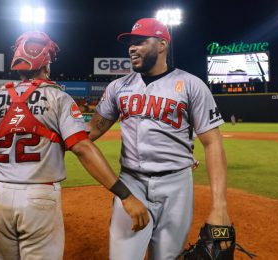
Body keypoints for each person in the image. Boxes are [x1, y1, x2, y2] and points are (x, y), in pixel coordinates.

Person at [0, 31, 149, 260]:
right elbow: (82, 148)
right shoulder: (58, 98)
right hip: (39, 196)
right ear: (46, 63)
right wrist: (125, 195)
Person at [89, 18, 232, 260]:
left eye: (140, 41)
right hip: (131, 182)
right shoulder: (117, 87)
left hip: (177, 186)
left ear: (162, 44)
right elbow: (90, 132)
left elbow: (213, 143)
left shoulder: (191, 85)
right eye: (130, 43)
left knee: (167, 257)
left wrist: (220, 207)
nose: (132, 48)